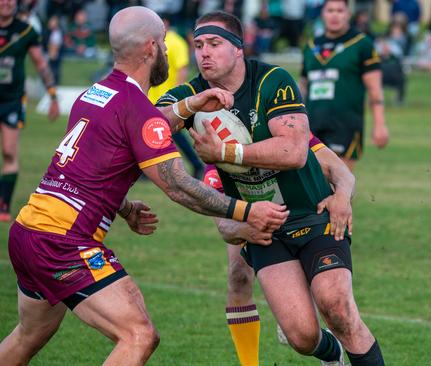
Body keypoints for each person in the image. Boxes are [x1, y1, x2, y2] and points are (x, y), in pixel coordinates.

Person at [0, 6, 287, 365]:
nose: (168, 51)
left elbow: (86, 167)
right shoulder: (135, 106)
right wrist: (248, 211)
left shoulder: (97, 94)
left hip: (28, 231)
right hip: (62, 243)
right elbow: (179, 186)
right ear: (151, 48)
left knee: (28, 337)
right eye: (165, 44)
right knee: (138, 335)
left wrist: (124, 206)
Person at [156, 10, 385, 366]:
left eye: (214, 44)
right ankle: (330, 353)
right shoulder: (193, 94)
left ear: (237, 48)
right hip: (266, 229)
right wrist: (190, 105)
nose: (204, 53)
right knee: (302, 337)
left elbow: (296, 153)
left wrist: (342, 195)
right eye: (198, 45)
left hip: (313, 213)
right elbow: (152, 127)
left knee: (336, 307)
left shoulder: (272, 81)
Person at [201, 134, 355, 366]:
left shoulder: (283, 124)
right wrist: (244, 231)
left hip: (300, 212)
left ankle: (301, 310)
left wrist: (342, 196)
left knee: (320, 300)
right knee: (238, 277)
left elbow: (338, 169)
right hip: (250, 212)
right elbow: (225, 228)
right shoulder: (220, 154)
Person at [301, 0, 389, 172]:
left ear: (348, 14)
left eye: (340, 10)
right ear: (322, 14)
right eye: (330, 10)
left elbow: (375, 89)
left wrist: (380, 124)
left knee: (340, 186)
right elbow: (303, 86)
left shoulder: (362, 44)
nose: (335, 15)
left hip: (345, 124)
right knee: (313, 189)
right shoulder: (311, 46)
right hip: (313, 123)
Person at [0, 0, 60, 222]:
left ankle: (4, 205)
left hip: (12, 101)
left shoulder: (25, 30)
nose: (6, 3)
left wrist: (52, 95)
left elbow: (41, 64)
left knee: (8, 151)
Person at [148, 14, 205, 179]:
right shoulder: (157, 41)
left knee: (174, 134)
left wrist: (176, 93)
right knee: (161, 134)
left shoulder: (175, 42)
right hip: (153, 97)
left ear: (165, 23)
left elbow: (182, 68)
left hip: (166, 97)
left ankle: (195, 164)